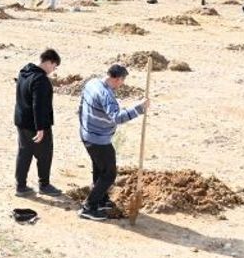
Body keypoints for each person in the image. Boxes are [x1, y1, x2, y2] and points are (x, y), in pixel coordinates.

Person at [78, 64, 149, 221]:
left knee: (99, 168)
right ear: (117, 79)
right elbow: (117, 117)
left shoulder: (92, 83)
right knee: (109, 174)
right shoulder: (106, 95)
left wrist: (84, 127)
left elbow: (81, 105)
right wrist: (139, 108)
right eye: (122, 81)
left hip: (87, 134)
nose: (122, 84)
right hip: (98, 140)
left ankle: (101, 200)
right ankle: (89, 207)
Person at [14, 48, 63, 197]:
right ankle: (44, 185)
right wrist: (41, 128)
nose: (53, 71)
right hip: (36, 125)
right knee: (45, 154)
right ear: (49, 62)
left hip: (21, 120)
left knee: (24, 153)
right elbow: (39, 105)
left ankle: (20, 186)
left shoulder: (24, 71)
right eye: (54, 67)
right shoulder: (40, 80)